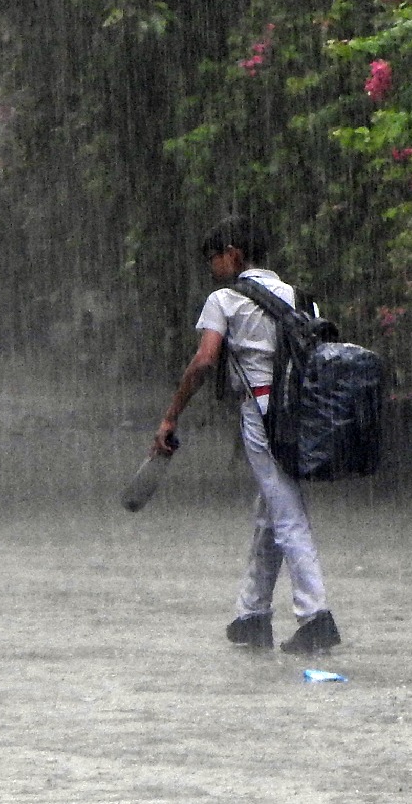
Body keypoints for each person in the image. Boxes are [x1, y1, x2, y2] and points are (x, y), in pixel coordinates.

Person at [152, 217, 341, 654]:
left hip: (259, 411)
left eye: (214, 257)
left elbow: (203, 363)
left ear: (233, 254)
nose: (212, 267)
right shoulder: (299, 298)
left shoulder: (224, 299)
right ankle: (253, 613)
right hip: (300, 411)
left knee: (287, 512)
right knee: (270, 512)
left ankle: (316, 616)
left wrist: (170, 416)